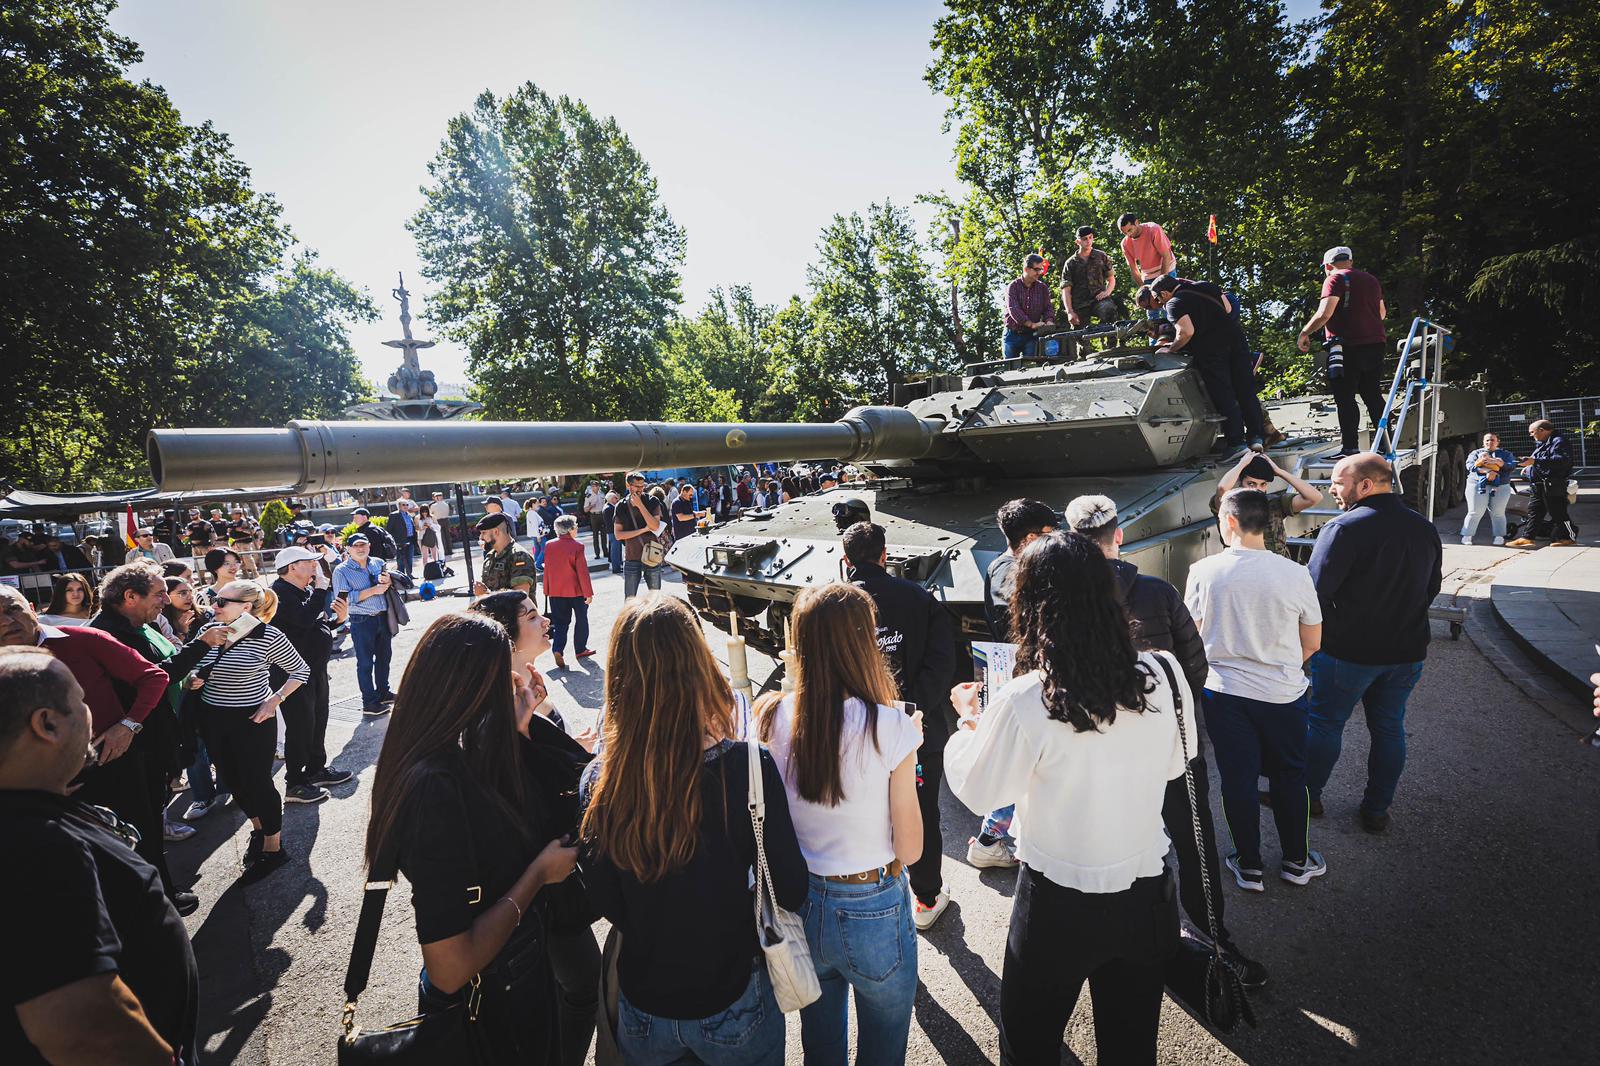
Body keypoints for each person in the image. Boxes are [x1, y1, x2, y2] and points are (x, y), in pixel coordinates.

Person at [945, 533, 1191, 1066]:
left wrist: (968, 725)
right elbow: (1175, 766)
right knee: (1131, 1049)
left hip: (1057, 904)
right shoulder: (1166, 674)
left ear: (1030, 603)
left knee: (1029, 1046)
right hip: (1146, 891)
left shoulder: (1025, 696)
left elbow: (982, 788)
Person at [581, 595, 807, 1065]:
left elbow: (602, 897)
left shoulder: (599, 779)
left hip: (645, 1002)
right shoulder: (749, 766)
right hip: (732, 991)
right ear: (699, 664)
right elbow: (789, 886)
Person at [1066, 495, 1267, 983]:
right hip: (1171, 744)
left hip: (1096, 750)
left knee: (1112, 842)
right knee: (1193, 838)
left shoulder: (1062, 598)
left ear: (1073, 540)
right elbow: (1193, 669)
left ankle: (1120, 936)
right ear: (1119, 536)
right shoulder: (1157, 592)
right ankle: (1212, 935)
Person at [365, 613, 579, 1065]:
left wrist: (521, 730)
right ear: (468, 685)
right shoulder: (432, 789)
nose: (513, 685)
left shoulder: (451, 748)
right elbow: (450, 967)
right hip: (494, 1006)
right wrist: (538, 875)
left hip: (515, 981)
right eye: (502, 677)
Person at [0, 646, 199, 1066]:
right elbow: (86, 1030)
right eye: (82, 701)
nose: (92, 713)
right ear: (47, 724)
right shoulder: (32, 844)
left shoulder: (35, 813)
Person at [756, 584, 924, 1065]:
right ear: (860, 643)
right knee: (883, 1045)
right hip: (873, 902)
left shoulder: (771, 716)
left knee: (821, 1044)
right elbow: (910, 849)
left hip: (801, 902)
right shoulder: (891, 726)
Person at [1184, 489, 1326, 892]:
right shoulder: (1294, 572)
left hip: (1223, 693)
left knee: (1237, 778)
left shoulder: (1203, 571)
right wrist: (1279, 666)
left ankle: (1248, 866)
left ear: (1228, 521)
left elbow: (1192, 634)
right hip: (1283, 693)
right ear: (1265, 523)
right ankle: (1297, 862)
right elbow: (1313, 641)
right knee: (1289, 776)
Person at [1306, 453, 1442, 832]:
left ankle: (1306, 796)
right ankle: (1376, 809)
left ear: (1364, 485)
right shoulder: (1423, 527)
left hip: (1348, 651)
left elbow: (1314, 592)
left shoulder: (1343, 528)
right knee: (1389, 728)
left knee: (1325, 724)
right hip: (1407, 651)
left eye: (1337, 481)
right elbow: (1433, 587)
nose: (1332, 488)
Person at [843, 521, 956, 930]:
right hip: (915, 730)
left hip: (852, 732)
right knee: (921, 810)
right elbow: (942, 661)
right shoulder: (919, 598)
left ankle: (873, 892)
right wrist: (913, 712)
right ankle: (926, 898)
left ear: (845, 559)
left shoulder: (835, 605)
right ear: (885, 555)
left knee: (864, 810)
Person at [189, 581, 308, 879]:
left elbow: (300, 671)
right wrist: (193, 678)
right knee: (232, 781)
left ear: (245, 607)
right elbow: (194, 667)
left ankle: (273, 848)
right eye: (214, 600)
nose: (213, 606)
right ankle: (258, 830)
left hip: (252, 720)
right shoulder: (210, 632)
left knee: (257, 783)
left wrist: (274, 700)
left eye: (221, 601)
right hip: (212, 717)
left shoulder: (268, 635)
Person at [968, 498, 1058, 870]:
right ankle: (990, 840)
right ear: (1030, 538)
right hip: (1022, 678)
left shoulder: (1007, 566)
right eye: (1049, 537)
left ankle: (992, 838)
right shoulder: (1013, 573)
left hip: (1017, 675)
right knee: (1019, 764)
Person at [1144, 275, 1267, 450]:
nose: (1159, 303)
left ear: (1164, 293)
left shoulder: (1173, 303)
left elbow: (1186, 332)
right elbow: (1228, 309)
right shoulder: (1205, 287)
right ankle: (1256, 437)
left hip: (1212, 349)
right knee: (1246, 390)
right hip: (1236, 340)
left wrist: (1171, 349)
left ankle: (1237, 443)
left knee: (1225, 393)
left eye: (1157, 299)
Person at [270, 546, 351, 804]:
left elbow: (315, 625)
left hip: (315, 669)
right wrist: (320, 590)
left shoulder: (303, 591)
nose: (315, 566)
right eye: (309, 562)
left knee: (318, 721)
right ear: (292, 567)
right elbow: (303, 620)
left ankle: (316, 769)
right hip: (292, 674)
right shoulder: (278, 594)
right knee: (300, 727)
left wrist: (339, 619)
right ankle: (294, 782)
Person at [1296, 247, 1389, 457]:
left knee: (1345, 397)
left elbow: (1324, 313)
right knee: (1372, 394)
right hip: (1376, 343)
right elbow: (1381, 313)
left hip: (1346, 346)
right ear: (1351, 261)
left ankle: (1350, 448)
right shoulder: (1371, 280)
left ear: (1328, 266)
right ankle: (1386, 444)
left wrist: (1305, 332)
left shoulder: (1334, 279)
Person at [1211, 451, 1324, 558]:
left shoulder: (1274, 503)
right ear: (1240, 482)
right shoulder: (1230, 504)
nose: (1257, 489)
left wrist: (1279, 472)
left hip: (1277, 566)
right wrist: (1241, 465)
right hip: (1243, 564)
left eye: (1263, 484)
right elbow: (1222, 489)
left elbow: (1314, 497)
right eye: (1251, 484)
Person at [331, 533, 397, 717]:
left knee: (385, 658)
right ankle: (369, 702)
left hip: (382, 617)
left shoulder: (377, 562)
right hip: (361, 620)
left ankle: (383, 692)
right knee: (366, 662)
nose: (360, 549)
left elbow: (387, 585)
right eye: (356, 546)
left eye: (363, 545)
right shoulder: (341, 571)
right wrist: (374, 590)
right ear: (348, 549)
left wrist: (388, 581)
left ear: (369, 546)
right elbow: (344, 600)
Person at [1508, 418, 1578, 547]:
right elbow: (1542, 460)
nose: (1531, 435)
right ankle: (1527, 538)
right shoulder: (1544, 442)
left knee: (1558, 512)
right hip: (1539, 485)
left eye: (1532, 432)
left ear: (1542, 430)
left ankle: (1570, 536)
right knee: (1534, 511)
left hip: (1552, 484)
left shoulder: (1559, 441)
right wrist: (1530, 467)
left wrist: (1535, 461)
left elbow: (1562, 460)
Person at [542, 516, 595, 670]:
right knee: (581, 620)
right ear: (571, 529)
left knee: (560, 623)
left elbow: (548, 570)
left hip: (556, 592)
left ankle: (558, 649)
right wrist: (588, 593)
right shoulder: (577, 546)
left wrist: (547, 589)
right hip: (576, 591)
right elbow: (582, 572)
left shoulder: (549, 545)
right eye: (576, 526)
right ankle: (580, 649)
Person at [614, 471, 667, 598]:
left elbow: (654, 526)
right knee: (630, 599)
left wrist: (640, 505)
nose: (640, 489)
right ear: (628, 486)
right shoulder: (621, 506)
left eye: (642, 486)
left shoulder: (652, 500)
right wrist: (642, 530)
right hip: (632, 557)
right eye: (637, 486)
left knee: (655, 599)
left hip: (652, 554)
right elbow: (618, 535)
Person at [1461, 431, 1518, 545]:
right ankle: (1467, 535)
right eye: (1487, 440)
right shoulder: (1475, 453)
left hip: (1501, 485)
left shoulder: (1506, 454)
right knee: (1475, 511)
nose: (1489, 442)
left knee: (1498, 512)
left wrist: (1500, 464)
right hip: (1477, 485)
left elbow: (1511, 466)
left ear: (1497, 442)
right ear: (1483, 442)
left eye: (1492, 440)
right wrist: (1486, 470)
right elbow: (1470, 466)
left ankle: (1499, 536)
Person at [1062, 225, 1120, 330]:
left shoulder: (1101, 256)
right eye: (1084, 239)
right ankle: (1085, 346)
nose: (1088, 241)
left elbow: (1111, 279)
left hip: (1099, 299)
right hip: (1080, 303)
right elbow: (1066, 290)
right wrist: (1070, 312)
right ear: (1078, 242)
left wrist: (1107, 292)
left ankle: (1112, 345)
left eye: (1090, 237)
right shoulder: (1071, 263)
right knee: (1080, 334)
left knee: (1110, 311)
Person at [1118, 213, 1176, 316]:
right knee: (1151, 310)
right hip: (1148, 276)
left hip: (1166, 269)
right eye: (1124, 233)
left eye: (1130, 230)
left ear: (1137, 222)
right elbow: (1134, 269)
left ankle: (1173, 330)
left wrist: (1161, 283)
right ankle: (1155, 331)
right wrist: (1143, 288)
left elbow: (1166, 256)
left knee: (1169, 307)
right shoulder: (1125, 243)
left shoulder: (1153, 229)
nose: (1128, 235)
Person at [474, 512, 539, 600]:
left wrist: (486, 594)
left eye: (483, 533)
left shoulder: (519, 556)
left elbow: (520, 599)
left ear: (496, 532)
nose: (481, 537)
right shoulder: (490, 556)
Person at [1003, 253, 1056, 359]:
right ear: (1026, 269)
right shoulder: (1013, 287)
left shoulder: (1042, 288)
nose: (1039, 273)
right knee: (1009, 369)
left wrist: (1049, 320)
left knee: (1030, 367)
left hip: (1031, 336)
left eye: (1041, 269)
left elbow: (1048, 307)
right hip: (1012, 334)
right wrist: (1031, 324)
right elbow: (1014, 310)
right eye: (1036, 269)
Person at [387, 498, 419, 578]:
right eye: (403, 505)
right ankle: (401, 576)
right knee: (401, 559)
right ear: (399, 506)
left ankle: (409, 574)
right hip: (400, 541)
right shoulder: (394, 515)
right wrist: (393, 541)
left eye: (407, 505)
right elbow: (389, 529)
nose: (405, 506)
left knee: (409, 558)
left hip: (410, 539)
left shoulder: (409, 515)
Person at [582, 482, 609, 559]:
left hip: (602, 514)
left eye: (597, 486)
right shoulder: (588, 496)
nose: (595, 487)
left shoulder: (602, 494)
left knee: (604, 534)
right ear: (591, 487)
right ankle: (597, 553)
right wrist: (591, 506)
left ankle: (605, 552)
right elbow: (585, 509)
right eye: (593, 486)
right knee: (595, 535)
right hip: (594, 515)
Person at [602, 491, 623, 574]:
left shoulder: (608, 507)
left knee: (616, 549)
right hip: (613, 531)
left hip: (612, 531)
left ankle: (617, 566)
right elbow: (613, 521)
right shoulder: (609, 508)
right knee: (615, 550)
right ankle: (616, 567)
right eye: (615, 497)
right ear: (611, 499)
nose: (617, 499)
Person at [429, 491, 454, 558]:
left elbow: (430, 514)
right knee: (447, 536)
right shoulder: (447, 504)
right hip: (446, 520)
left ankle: (445, 551)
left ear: (436, 498)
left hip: (438, 521)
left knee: (441, 537)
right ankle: (450, 550)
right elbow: (451, 512)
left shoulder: (433, 506)